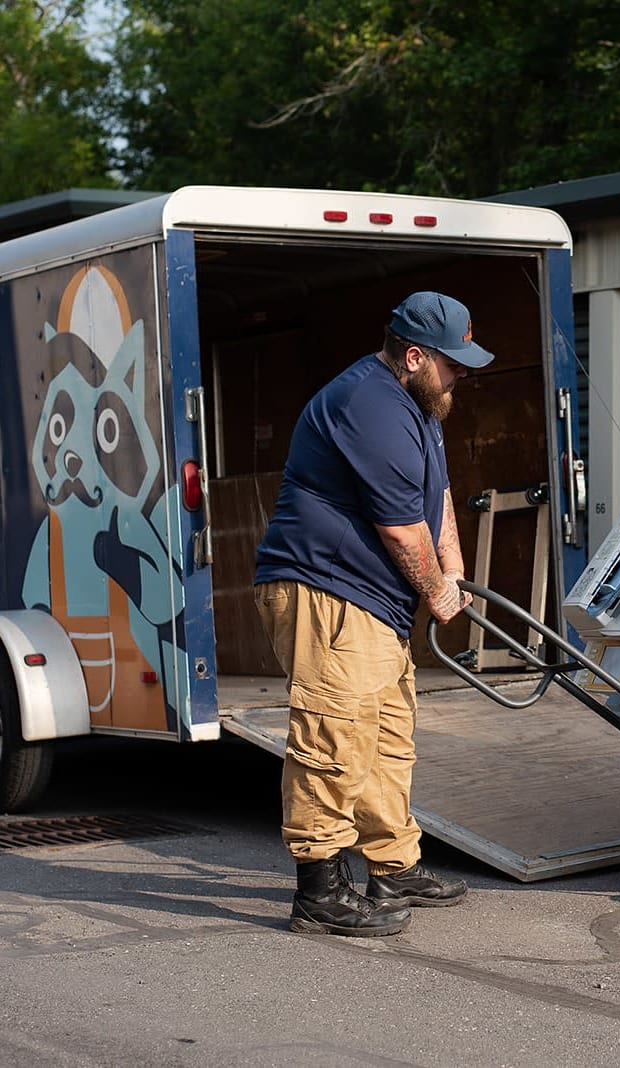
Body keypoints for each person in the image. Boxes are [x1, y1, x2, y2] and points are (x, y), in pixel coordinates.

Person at [254, 291, 492, 934]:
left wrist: (456, 576)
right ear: (413, 356)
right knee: (334, 735)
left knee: (387, 736)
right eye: (453, 363)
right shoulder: (369, 403)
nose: (463, 374)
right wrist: (436, 592)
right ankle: (319, 891)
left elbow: (436, 502)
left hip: (372, 600)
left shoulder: (423, 407)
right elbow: (398, 527)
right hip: (326, 590)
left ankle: (393, 868)